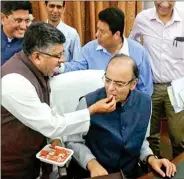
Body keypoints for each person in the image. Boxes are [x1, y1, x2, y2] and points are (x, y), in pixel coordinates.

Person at [1, 22, 117, 179]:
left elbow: (46, 108)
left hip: (32, 159)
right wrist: (91, 111)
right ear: (37, 56)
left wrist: (55, 139)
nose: (62, 60)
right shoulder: (14, 81)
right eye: (57, 55)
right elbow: (50, 124)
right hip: (11, 165)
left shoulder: (39, 70)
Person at [66, 54, 177, 179]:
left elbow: (140, 141)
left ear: (133, 84)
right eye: (107, 80)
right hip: (94, 173)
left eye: (118, 84)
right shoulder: (88, 102)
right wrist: (91, 163)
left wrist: (151, 158)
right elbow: (72, 141)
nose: (110, 88)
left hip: (129, 172)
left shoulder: (145, 102)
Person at [130, 1, 184, 158]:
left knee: (179, 136)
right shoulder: (142, 19)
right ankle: (154, 168)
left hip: (177, 87)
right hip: (150, 86)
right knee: (150, 135)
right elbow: (132, 44)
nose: (165, 4)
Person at [59, 7, 153, 96]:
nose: (96, 34)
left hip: (129, 108)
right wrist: (59, 66)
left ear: (116, 34)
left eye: (102, 32)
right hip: (98, 106)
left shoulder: (139, 52)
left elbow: (145, 89)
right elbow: (76, 67)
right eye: (97, 29)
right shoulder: (89, 49)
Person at [1, 1, 33, 65]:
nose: (23, 27)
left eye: (27, 21)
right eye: (18, 21)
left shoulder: (31, 41)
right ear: (3, 19)